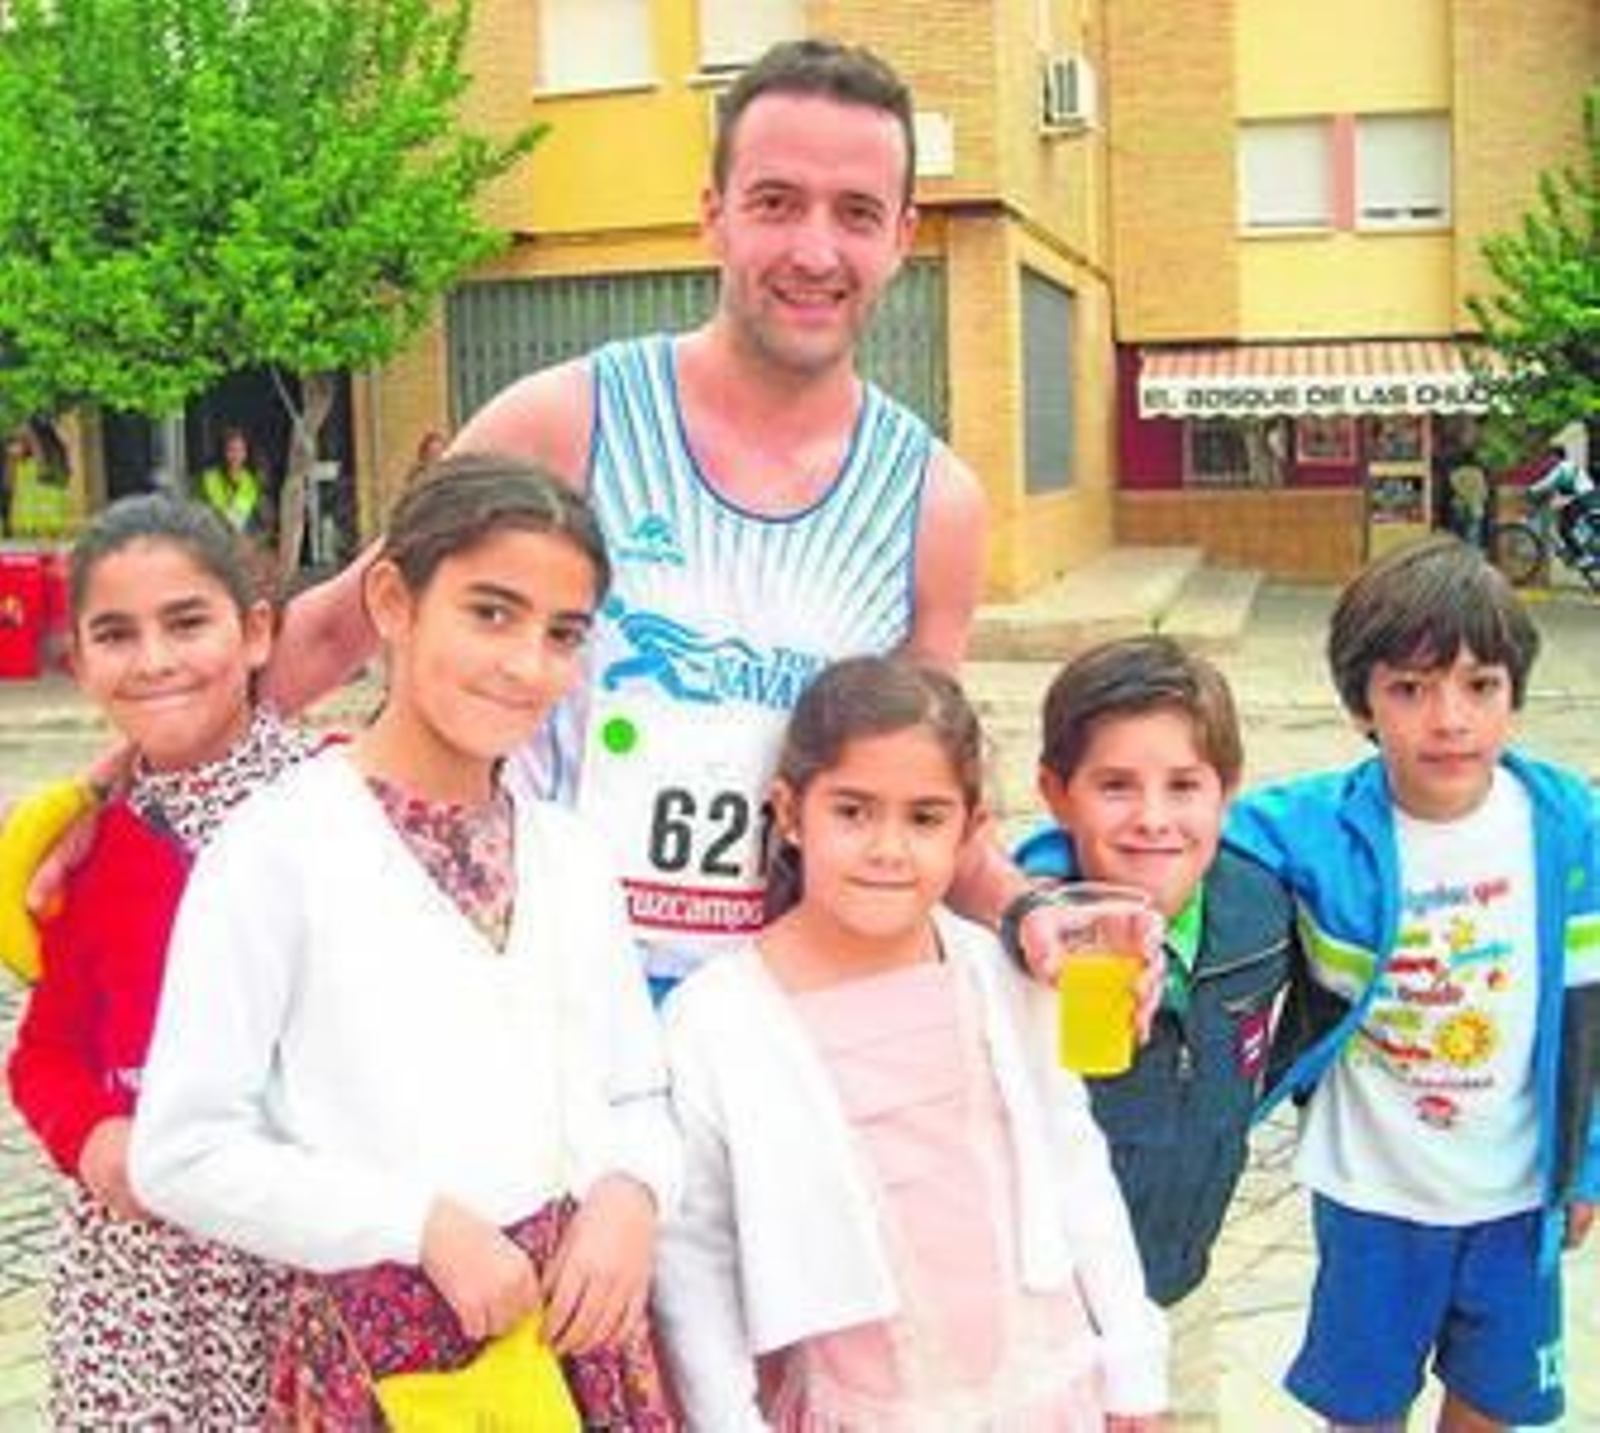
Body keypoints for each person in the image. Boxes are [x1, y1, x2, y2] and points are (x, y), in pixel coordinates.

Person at [260, 39, 1022, 996]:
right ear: (714, 216)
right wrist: (135, 785)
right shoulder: (563, 422)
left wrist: (1035, 911)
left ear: (903, 236)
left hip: (763, 1020)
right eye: (776, 202)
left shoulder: (934, 505)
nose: (815, 250)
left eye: (857, 214)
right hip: (520, 988)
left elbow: (925, 788)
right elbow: (336, 627)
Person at [129, 458, 681, 1426]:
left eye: (562, 634)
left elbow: (633, 1086)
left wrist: (629, 1193)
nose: (525, 663)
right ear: (393, 599)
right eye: (491, 613)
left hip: (572, 1348)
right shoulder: (276, 850)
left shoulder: (568, 852)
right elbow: (181, 1146)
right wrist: (415, 1224)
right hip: (380, 1353)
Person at [654, 654, 1168, 1428]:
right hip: (864, 1405)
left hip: (1046, 1391)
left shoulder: (1002, 977)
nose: (888, 847)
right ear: (790, 812)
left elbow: (1075, 1164)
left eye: (924, 817)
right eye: (853, 811)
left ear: (971, 831)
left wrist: (1134, 1368)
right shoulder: (720, 1017)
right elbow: (696, 1254)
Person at [1227, 535, 1598, 1431]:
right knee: (1363, 1412)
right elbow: (1172, 831)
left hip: (1516, 1201)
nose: (1449, 719)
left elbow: (1591, 1009)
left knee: (1493, 1405)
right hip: (1372, 1198)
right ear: (1361, 704)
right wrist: (1044, 895)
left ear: (1514, 693)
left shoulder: (1571, 826)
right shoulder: (1310, 827)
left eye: (1480, 685)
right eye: (1410, 687)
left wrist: (1584, 1163)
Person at [5, 493, 317, 1426]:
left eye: (186, 622)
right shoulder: (78, 842)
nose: (155, 660)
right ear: (78, 663)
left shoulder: (338, 805)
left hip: (303, 1253)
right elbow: (46, 1050)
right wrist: (97, 1140)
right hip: (140, 1272)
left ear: (255, 630)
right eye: (116, 633)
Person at [1013, 635, 1297, 1429]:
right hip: (1043, 1317)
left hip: (1181, 1289)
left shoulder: (1262, 916)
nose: (1153, 819)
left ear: (1226, 791)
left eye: (1184, 785)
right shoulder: (1027, 941)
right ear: (1055, 791)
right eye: (1114, 786)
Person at [195, 426, 272, 544]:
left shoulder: (252, 482)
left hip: (243, 541)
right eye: (231, 450)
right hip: (213, 539)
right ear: (223, 452)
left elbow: (260, 522)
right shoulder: (209, 478)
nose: (236, 455)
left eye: (241, 450)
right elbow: (208, 513)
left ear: (246, 453)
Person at [1526, 444, 1597, 565]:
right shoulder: (1568, 467)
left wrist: (1531, 490)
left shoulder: (1562, 468)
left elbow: (1548, 482)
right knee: (1565, 518)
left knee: (1564, 526)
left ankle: (1583, 555)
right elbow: (1557, 489)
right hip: (1584, 497)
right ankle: (1573, 552)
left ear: (1556, 457)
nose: (1548, 460)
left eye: (1549, 457)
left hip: (1583, 498)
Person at [5, 419, 74, 539]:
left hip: (46, 472)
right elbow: (15, 449)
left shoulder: (49, 424)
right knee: (37, 519)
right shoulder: (26, 424)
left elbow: (67, 443)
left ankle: (45, 536)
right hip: (34, 471)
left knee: (48, 516)